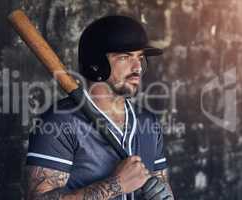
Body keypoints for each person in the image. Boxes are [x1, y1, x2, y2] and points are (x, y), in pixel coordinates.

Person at [25, 15, 174, 200]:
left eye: (140, 57)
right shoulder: (59, 122)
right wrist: (116, 185)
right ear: (96, 64)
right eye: (125, 57)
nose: (138, 68)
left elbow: (163, 187)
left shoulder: (147, 121)